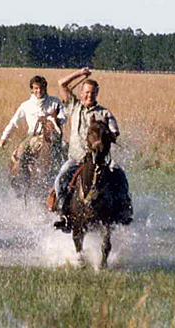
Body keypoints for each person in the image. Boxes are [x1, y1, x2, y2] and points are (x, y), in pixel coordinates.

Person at [52, 67, 132, 232]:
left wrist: (107, 134)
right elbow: (62, 83)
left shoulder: (104, 113)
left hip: (100, 161)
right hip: (76, 158)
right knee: (60, 179)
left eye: (93, 93)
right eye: (86, 92)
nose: (89, 96)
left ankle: (124, 210)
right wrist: (80, 74)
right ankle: (64, 214)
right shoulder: (74, 106)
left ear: (97, 94)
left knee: (120, 174)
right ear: (81, 93)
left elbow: (115, 132)